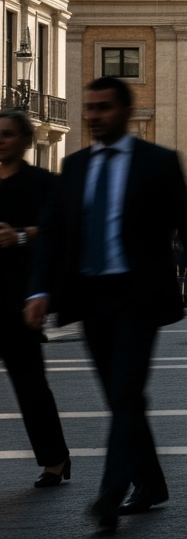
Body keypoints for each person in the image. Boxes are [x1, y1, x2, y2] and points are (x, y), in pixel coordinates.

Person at [25, 76, 187, 534]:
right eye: (89, 108)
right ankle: (150, 484)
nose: (93, 116)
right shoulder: (74, 167)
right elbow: (53, 233)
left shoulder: (158, 163)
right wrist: (38, 291)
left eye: (103, 108)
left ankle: (109, 495)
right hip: (91, 298)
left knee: (127, 392)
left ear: (125, 111)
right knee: (120, 399)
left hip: (139, 297)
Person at [0, 110, 71, 488]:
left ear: (26, 141)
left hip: (19, 300)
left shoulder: (41, 182)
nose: (1, 140)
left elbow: (57, 232)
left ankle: (54, 460)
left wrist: (21, 237)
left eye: (9, 134)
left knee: (30, 387)